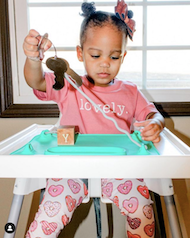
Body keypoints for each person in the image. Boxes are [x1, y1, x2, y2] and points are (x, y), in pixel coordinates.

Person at [23, 1, 165, 237]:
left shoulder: (130, 91)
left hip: (119, 168)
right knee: (49, 216)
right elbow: (36, 82)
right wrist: (33, 59)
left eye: (115, 57)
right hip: (71, 168)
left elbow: (153, 114)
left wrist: (155, 124)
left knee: (142, 210)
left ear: (123, 57)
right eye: (96, 54)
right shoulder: (67, 84)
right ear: (80, 53)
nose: (105, 63)